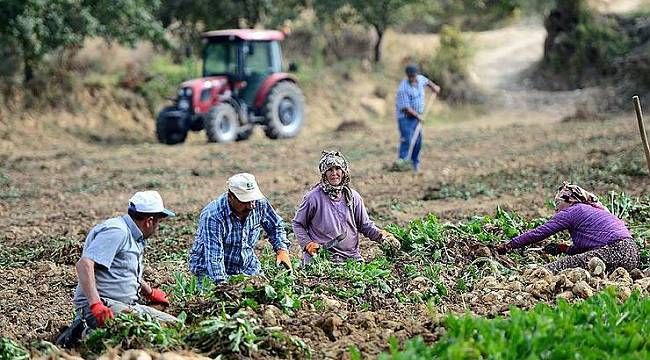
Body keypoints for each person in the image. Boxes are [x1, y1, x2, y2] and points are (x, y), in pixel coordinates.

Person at [56, 191, 177, 347]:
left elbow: (123, 270)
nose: (157, 227)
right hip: (105, 305)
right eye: (158, 222)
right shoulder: (117, 232)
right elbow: (85, 264)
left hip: (126, 305)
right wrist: (96, 305)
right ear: (149, 221)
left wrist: (150, 292)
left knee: (174, 326)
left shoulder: (133, 236)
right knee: (149, 335)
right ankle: (82, 334)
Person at [495, 182, 640, 273]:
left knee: (553, 268)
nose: (556, 209)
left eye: (558, 204)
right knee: (586, 264)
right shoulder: (593, 210)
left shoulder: (573, 211)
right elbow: (591, 248)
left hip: (616, 251)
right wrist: (562, 248)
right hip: (632, 256)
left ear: (569, 200)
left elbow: (539, 233)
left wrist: (509, 245)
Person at [292, 151, 401, 264]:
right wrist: (308, 244)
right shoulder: (313, 198)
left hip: (351, 258)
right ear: (324, 174)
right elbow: (297, 224)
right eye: (330, 170)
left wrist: (382, 236)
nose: (334, 173)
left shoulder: (353, 197)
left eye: (337, 169)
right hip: (321, 258)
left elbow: (365, 225)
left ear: (344, 172)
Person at [189, 173, 292, 283]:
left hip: (246, 266)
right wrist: (224, 287)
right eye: (245, 201)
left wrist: (282, 250)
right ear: (231, 196)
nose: (251, 206)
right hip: (208, 271)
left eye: (252, 199)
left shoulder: (259, 203)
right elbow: (214, 257)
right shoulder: (213, 215)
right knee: (215, 298)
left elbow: (275, 226)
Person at [394, 64, 441, 171]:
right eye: (410, 76)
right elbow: (405, 108)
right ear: (407, 76)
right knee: (407, 140)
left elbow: (427, 82)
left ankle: (415, 164)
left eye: (414, 76)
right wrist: (418, 116)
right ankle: (402, 164)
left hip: (417, 117)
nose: (413, 78)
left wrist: (434, 87)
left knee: (418, 141)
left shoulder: (420, 79)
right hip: (405, 118)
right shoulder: (403, 89)